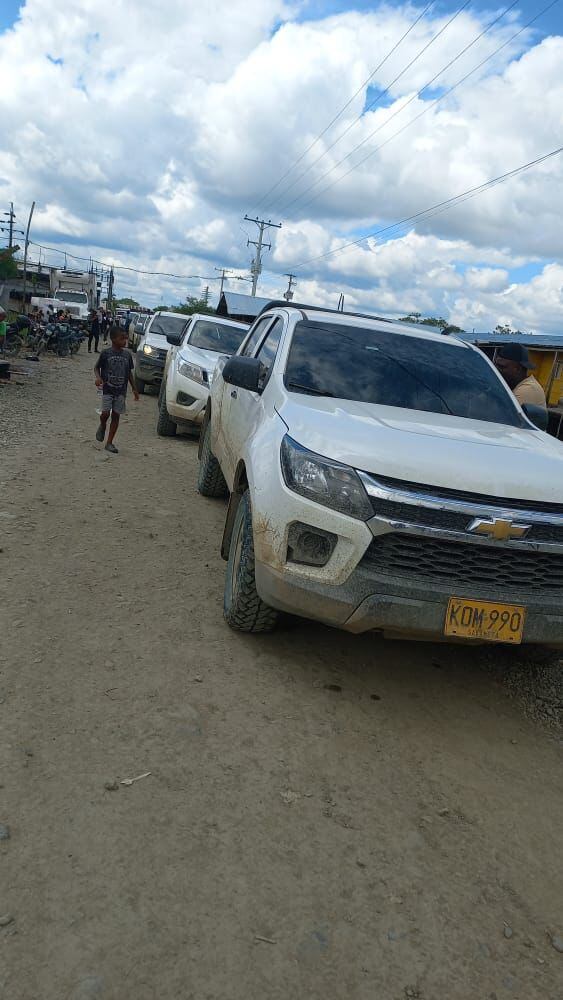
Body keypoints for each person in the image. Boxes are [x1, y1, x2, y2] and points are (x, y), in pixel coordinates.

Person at [94, 327, 139, 454]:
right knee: (105, 414)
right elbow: (96, 368)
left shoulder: (127, 355)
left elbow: (129, 373)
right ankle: (102, 425)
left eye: (125, 338)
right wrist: (98, 378)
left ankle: (109, 442)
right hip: (107, 389)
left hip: (121, 391)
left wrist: (134, 389)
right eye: (122, 338)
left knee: (116, 415)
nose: (125, 341)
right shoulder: (105, 353)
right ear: (113, 339)